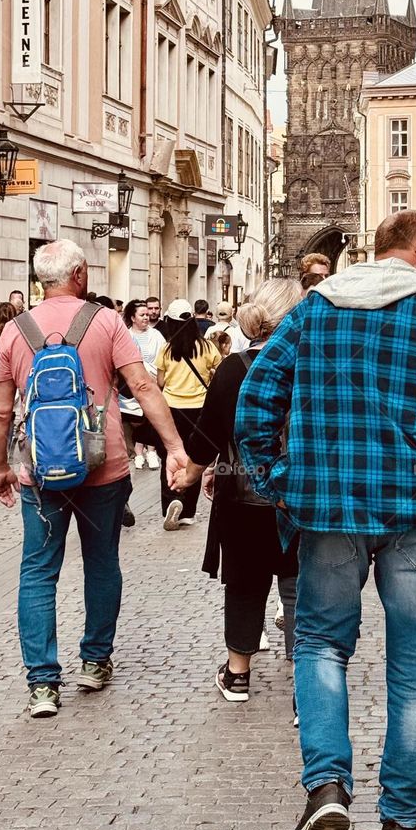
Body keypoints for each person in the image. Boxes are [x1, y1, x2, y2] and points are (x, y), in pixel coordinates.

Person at [236, 210, 416, 830]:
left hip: (329, 510)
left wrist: (281, 482)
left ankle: (328, 790)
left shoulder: (314, 311)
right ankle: (402, 820)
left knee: (319, 646)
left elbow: (254, 400)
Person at [0, 239, 188, 719]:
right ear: (78, 275)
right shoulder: (104, 321)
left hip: (39, 471)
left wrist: (0, 467)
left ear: (41, 280)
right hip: (103, 465)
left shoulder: (16, 330)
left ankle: (42, 685)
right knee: (101, 564)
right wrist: (175, 447)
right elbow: (142, 385)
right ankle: (95, 661)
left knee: (37, 572)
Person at [173, 279, 304, 708]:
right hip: (301, 496)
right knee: (300, 584)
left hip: (243, 497)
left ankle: (237, 675)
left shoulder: (234, 368)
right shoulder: (312, 363)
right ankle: (309, 676)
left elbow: (207, 434)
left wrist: (191, 476)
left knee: (245, 583)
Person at [156, 299, 222, 530]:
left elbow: (161, 381)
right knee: (195, 457)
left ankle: (171, 501)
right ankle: (188, 512)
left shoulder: (166, 348)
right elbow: (218, 372)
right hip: (199, 409)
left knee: (170, 456)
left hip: (172, 409)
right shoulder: (206, 347)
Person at [120, 299, 165, 472]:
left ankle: (151, 451)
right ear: (133, 317)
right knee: (137, 420)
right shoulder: (126, 335)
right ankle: (138, 453)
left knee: (152, 417)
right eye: (142, 314)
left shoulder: (156, 335)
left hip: (154, 383)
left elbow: (162, 359)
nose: (146, 317)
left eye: (147, 314)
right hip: (132, 385)